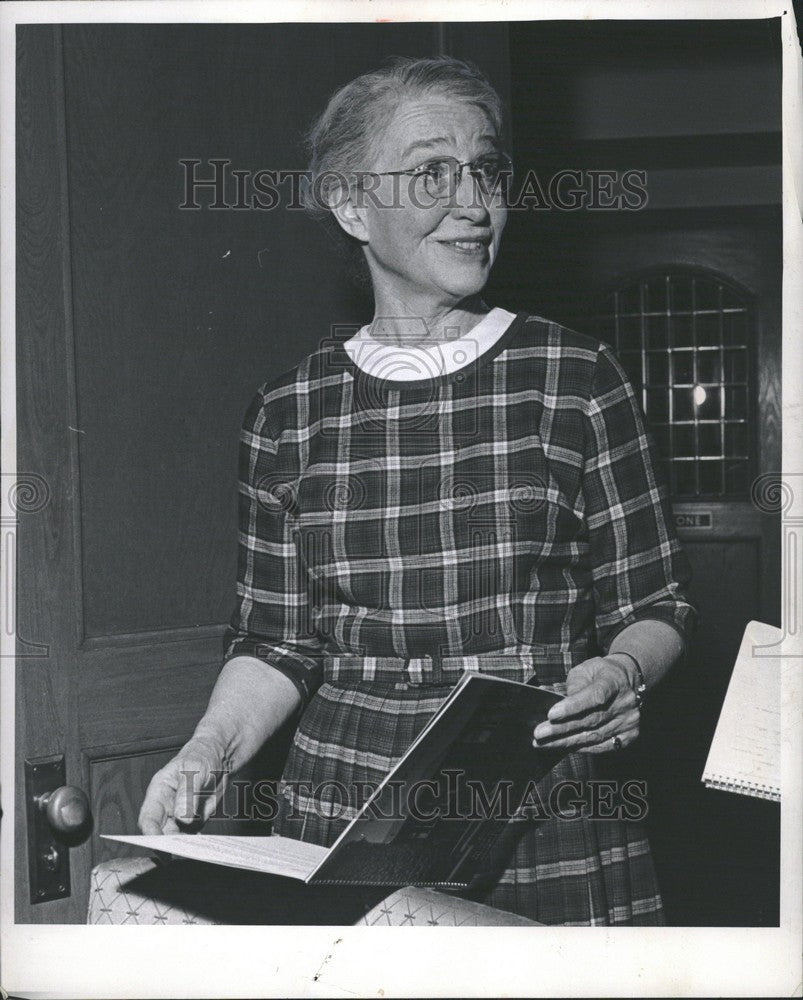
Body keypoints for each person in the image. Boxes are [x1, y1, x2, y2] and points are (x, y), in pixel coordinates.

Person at [139, 55, 697, 926]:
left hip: (538, 799)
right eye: (432, 171)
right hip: (340, 808)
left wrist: (621, 670)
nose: (473, 203)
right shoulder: (288, 412)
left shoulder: (576, 377)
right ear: (352, 204)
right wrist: (209, 749)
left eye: (486, 170)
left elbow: (656, 603)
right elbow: (278, 643)